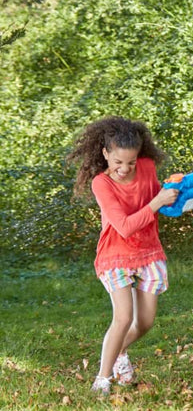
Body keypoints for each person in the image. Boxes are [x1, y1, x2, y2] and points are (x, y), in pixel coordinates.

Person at [67, 117, 179, 395]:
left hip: (149, 251)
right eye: (117, 162)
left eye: (130, 162)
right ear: (105, 153)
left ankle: (119, 353)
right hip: (115, 254)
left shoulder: (148, 167)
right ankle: (103, 380)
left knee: (145, 322)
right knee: (124, 317)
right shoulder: (101, 184)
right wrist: (157, 202)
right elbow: (126, 226)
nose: (124, 168)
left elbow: (164, 203)